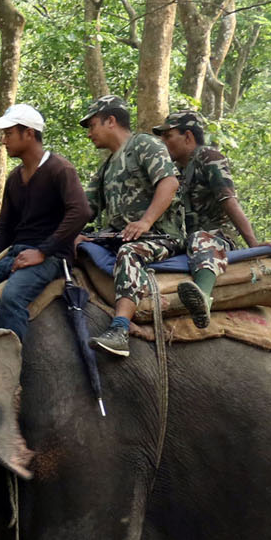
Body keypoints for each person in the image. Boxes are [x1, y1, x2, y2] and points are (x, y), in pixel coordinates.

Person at [0, 103, 91, 340]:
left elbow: (81, 212)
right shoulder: (14, 178)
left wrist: (42, 252)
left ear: (29, 133)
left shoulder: (60, 169)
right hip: (13, 254)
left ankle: (12, 368)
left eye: (8, 134)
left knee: (13, 297)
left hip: (52, 258)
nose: (4, 141)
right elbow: (5, 227)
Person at [150, 109, 271, 328]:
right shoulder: (174, 172)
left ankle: (202, 296)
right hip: (185, 238)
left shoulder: (210, 158)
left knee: (201, 239)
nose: (163, 142)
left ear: (188, 136)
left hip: (215, 238)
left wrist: (253, 245)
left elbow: (228, 200)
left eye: (168, 136)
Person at [76, 94, 185, 358]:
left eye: (92, 126)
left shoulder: (146, 145)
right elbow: (86, 208)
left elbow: (169, 183)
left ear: (111, 120)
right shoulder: (105, 168)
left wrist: (146, 221)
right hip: (118, 234)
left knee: (130, 253)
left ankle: (120, 330)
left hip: (160, 235)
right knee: (78, 244)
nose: (89, 134)